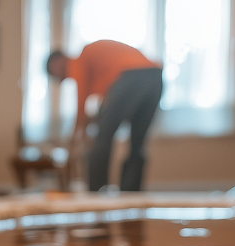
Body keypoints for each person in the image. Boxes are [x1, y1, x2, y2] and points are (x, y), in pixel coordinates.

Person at [47, 40, 163, 192]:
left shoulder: (78, 61)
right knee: (137, 144)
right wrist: (88, 126)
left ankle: (96, 192)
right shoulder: (98, 68)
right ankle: (131, 194)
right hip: (155, 76)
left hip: (130, 75)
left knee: (102, 138)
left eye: (52, 72)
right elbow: (104, 106)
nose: (57, 78)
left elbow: (81, 101)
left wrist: (76, 134)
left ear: (57, 63)